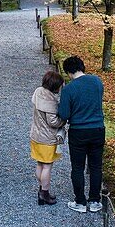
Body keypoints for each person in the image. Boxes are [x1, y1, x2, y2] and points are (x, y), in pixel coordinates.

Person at [57, 55, 105, 213]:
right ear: (82, 67)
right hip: (98, 128)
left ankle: (80, 202)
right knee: (96, 166)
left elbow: (64, 114)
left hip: (78, 131)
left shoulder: (69, 89)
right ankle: (95, 201)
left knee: (77, 167)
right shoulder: (97, 81)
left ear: (69, 72)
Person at [30, 70, 66, 205]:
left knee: (39, 163)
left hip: (35, 135)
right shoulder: (50, 101)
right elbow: (53, 122)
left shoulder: (38, 92)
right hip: (47, 138)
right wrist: (63, 121)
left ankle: (41, 189)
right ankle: (44, 193)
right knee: (47, 166)